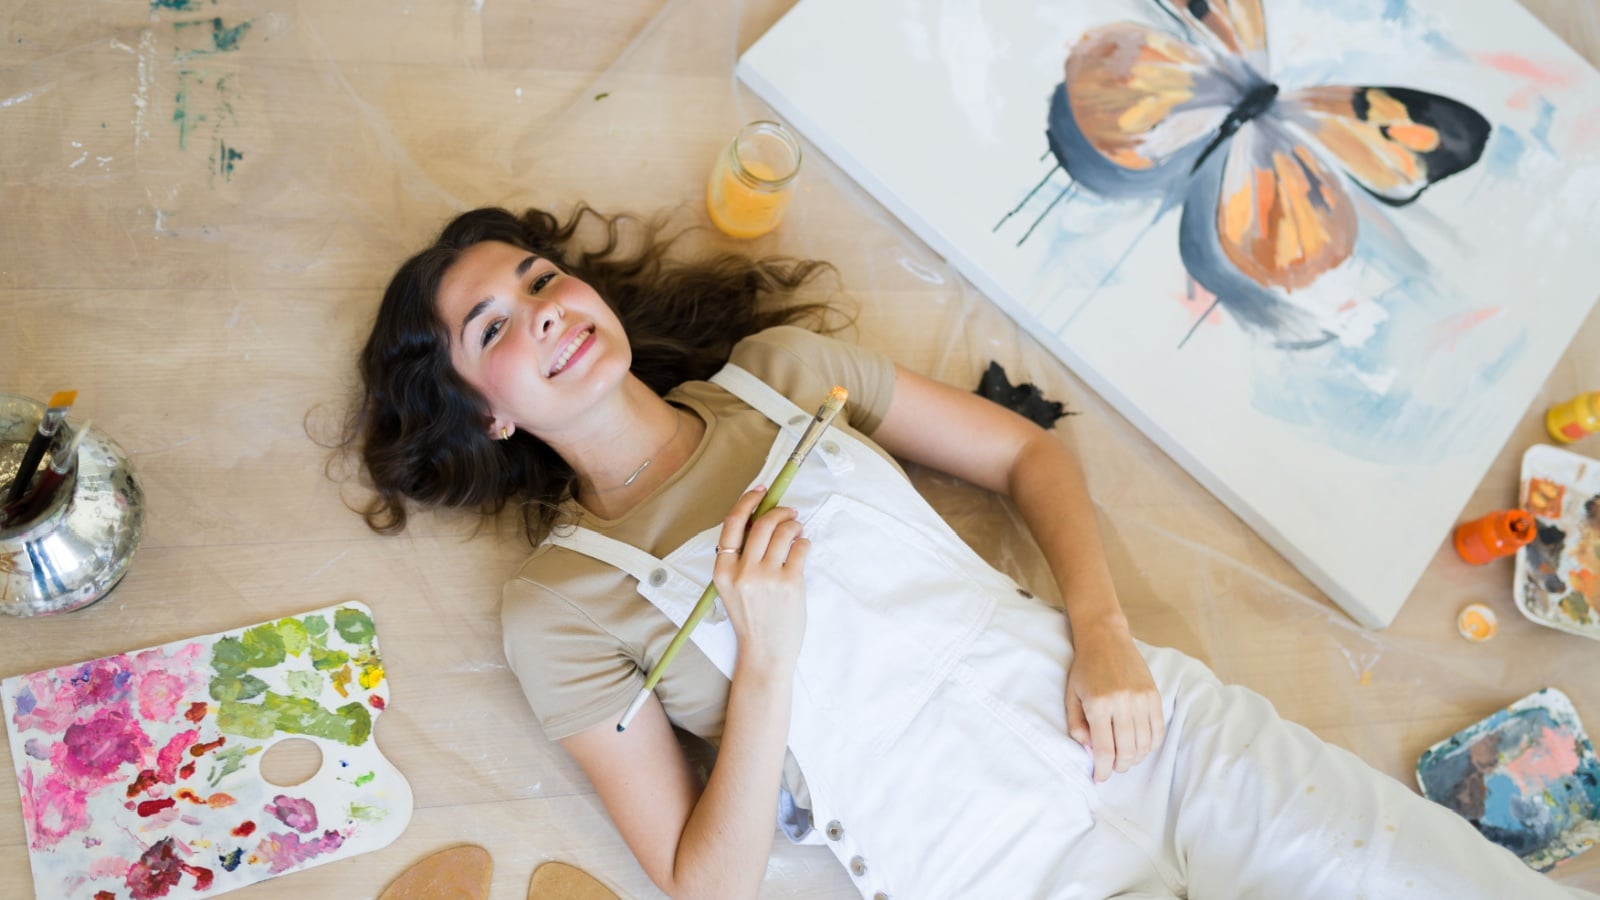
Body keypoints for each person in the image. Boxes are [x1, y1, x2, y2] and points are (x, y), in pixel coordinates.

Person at [346, 205, 1594, 899]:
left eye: (542, 276)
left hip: (1141, 739)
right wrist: (765, 664)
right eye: (494, 326)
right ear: (485, 411)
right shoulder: (563, 604)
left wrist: (1101, 633)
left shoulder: (784, 379)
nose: (549, 310)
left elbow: (1027, 458)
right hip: (983, 869)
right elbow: (702, 882)